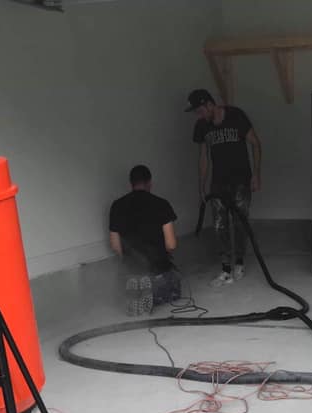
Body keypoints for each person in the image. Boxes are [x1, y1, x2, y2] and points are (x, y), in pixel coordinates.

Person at [186, 88, 262, 287]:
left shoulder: (236, 116)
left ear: (210, 104)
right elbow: (203, 157)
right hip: (218, 182)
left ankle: (239, 263)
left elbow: (255, 143)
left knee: (239, 222)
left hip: (241, 180)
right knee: (219, 225)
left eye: (200, 110)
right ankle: (226, 268)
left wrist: (256, 175)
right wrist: (201, 186)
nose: (199, 115)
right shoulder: (202, 126)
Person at [108, 165, 181, 316]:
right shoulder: (161, 204)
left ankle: (135, 283)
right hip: (156, 266)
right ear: (149, 183)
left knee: (132, 272)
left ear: (131, 183)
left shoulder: (117, 206)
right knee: (173, 286)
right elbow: (171, 244)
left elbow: (115, 246)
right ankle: (155, 289)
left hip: (131, 267)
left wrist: (129, 259)